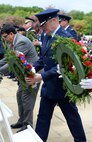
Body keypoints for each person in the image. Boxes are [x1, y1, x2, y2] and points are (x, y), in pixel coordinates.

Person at [25, 9, 86, 142]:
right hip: (48, 87)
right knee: (42, 119)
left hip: (62, 88)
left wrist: (41, 77)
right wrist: (32, 69)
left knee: (72, 118)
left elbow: (64, 66)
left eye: (43, 25)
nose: (42, 28)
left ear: (53, 21)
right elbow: (43, 58)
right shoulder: (46, 35)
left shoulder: (66, 37)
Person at [0, 24, 39, 132]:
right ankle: (22, 121)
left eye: (5, 36)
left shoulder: (21, 42)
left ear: (11, 34)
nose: (4, 39)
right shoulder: (13, 42)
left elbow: (14, 61)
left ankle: (27, 126)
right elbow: (8, 58)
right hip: (24, 74)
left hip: (32, 75)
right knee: (19, 96)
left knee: (27, 100)